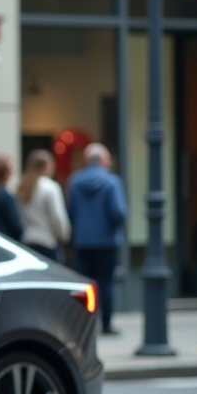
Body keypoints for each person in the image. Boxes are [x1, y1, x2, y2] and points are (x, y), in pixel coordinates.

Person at [68, 142, 127, 335]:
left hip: (83, 241)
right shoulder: (112, 182)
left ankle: (85, 324)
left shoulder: (75, 181)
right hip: (107, 241)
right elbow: (118, 212)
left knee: (86, 285)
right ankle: (107, 324)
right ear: (102, 160)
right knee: (106, 282)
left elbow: (71, 212)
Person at [16, 149, 71, 261]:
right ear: (46, 166)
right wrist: (64, 236)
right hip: (47, 242)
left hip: (27, 241)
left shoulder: (21, 186)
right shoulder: (51, 187)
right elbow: (58, 218)